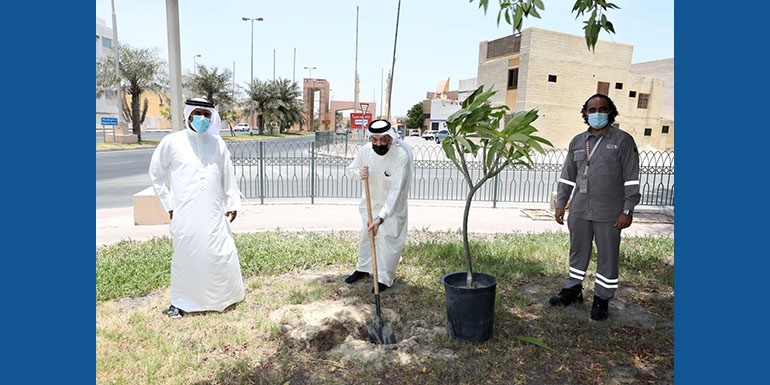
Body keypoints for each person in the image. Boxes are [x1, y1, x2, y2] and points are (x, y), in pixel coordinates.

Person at [149, 98, 245, 318]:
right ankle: (181, 302)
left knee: (219, 251)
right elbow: (156, 174)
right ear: (188, 115)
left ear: (211, 118)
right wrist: (169, 204)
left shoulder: (217, 143)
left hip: (212, 210)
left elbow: (227, 174)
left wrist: (232, 202)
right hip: (184, 211)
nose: (202, 118)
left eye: (206, 114)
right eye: (198, 113)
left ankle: (225, 297)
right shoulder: (172, 142)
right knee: (185, 255)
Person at [550, 93, 641, 321]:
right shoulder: (578, 142)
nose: (597, 113)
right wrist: (561, 204)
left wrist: (627, 209)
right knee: (578, 250)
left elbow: (631, 178)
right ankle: (573, 289)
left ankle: (602, 298)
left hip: (609, 211)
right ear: (585, 113)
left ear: (610, 112)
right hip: (579, 209)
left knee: (608, 256)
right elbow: (567, 176)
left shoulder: (623, 140)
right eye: (592, 110)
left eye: (602, 109)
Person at [344, 119, 414, 293]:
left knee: (388, 241)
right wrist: (359, 173)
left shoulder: (401, 156)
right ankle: (364, 268)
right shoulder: (366, 151)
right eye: (374, 140)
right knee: (366, 238)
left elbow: (396, 191)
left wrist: (381, 217)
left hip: (392, 210)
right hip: (370, 205)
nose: (378, 144)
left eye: (383, 140)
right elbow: (350, 169)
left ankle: (384, 277)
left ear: (390, 138)